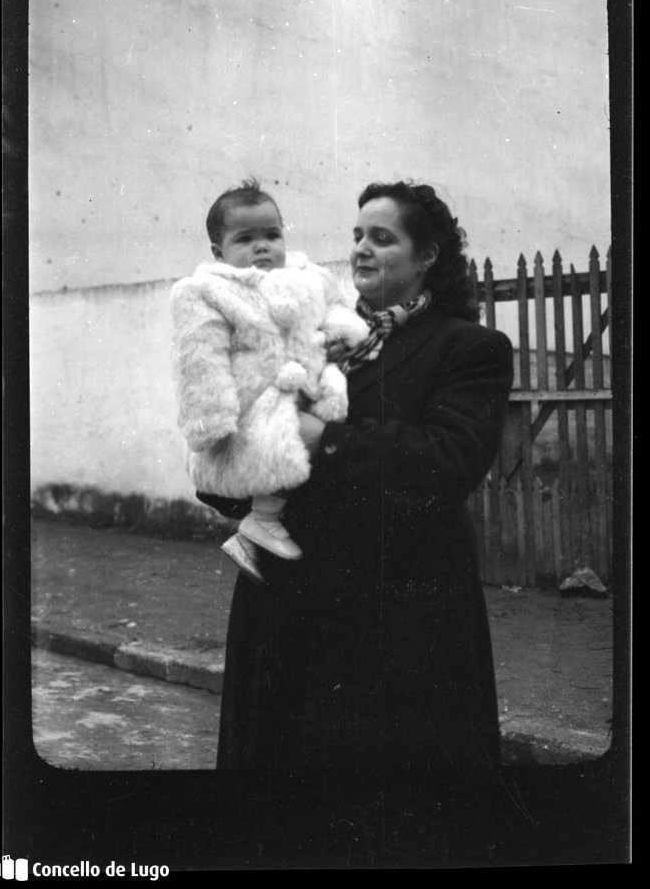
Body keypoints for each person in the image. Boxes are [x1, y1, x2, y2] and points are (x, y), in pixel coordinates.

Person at [201, 181, 514, 776]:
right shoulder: (319, 336)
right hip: (285, 614)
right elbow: (230, 465)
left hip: (397, 622)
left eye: (383, 237)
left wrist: (328, 441)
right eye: (357, 236)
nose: (362, 249)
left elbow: (447, 462)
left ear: (427, 257)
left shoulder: (469, 349)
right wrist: (227, 459)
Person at [170, 179, 369, 585]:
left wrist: (340, 335)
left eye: (272, 235)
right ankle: (261, 520)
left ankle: (260, 530)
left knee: (323, 428)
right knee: (268, 449)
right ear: (218, 251)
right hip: (253, 392)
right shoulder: (207, 291)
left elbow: (332, 308)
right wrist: (211, 419)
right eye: (245, 238)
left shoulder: (306, 275)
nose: (263, 246)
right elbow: (199, 356)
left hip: (307, 381)